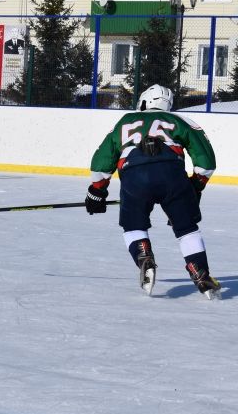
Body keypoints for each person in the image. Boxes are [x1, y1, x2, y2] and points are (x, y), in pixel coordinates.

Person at [85, 84, 220, 299]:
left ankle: (144, 257)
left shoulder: (126, 121)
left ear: (145, 102)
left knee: (133, 226)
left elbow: (101, 162)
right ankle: (200, 272)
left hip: (134, 176)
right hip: (172, 176)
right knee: (187, 229)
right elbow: (206, 163)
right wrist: (194, 187)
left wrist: (97, 191)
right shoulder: (180, 121)